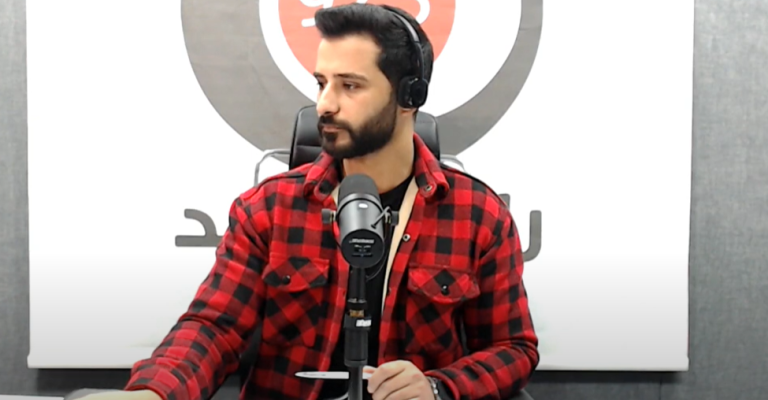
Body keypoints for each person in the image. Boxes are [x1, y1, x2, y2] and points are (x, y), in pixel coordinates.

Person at [80, 4, 538, 400]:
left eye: (350, 86)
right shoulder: (268, 209)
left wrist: (440, 387)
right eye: (322, 83)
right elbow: (214, 328)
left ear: (408, 96)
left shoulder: (479, 216)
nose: (324, 104)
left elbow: (513, 347)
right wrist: (154, 392)